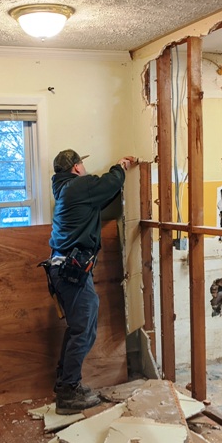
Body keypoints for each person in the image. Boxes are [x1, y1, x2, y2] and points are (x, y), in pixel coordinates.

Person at [47, 149, 137, 414]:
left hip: (64, 270)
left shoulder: (66, 190)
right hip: (71, 272)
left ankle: (67, 384)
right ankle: (68, 392)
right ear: (76, 167)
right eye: (82, 164)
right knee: (84, 330)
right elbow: (110, 183)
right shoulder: (80, 186)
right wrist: (120, 166)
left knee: (78, 328)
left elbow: (103, 194)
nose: (84, 167)